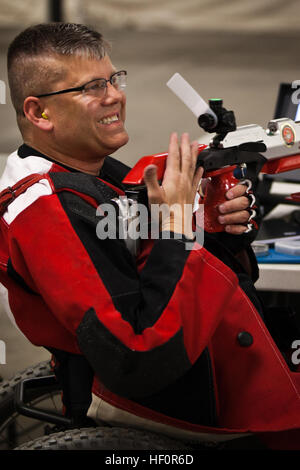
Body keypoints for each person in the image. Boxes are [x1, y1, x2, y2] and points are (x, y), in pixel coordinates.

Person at [0, 23, 299, 450]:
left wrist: (217, 231)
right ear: (39, 113)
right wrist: (179, 224)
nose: (114, 96)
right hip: (179, 407)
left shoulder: (98, 174)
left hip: (219, 370)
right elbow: (137, 356)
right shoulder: (46, 210)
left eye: (114, 79)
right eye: (91, 87)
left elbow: (153, 268)